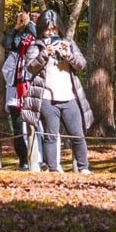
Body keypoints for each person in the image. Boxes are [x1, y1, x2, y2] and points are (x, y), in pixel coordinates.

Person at [20, 9, 93, 174]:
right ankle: (53, 169)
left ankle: (83, 168)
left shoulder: (69, 43)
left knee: (77, 135)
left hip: (69, 96)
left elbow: (81, 64)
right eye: (47, 29)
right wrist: (45, 53)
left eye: (54, 29)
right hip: (46, 97)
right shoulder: (35, 45)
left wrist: (69, 55)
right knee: (50, 136)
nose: (51, 33)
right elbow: (30, 68)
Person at [1, 10, 36, 169]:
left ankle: (38, 158)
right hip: (15, 91)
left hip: (33, 89)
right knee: (18, 127)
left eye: (36, 17)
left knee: (36, 126)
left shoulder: (39, 42)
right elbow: (7, 43)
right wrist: (17, 26)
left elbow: (39, 37)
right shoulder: (17, 48)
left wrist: (29, 23)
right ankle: (23, 159)